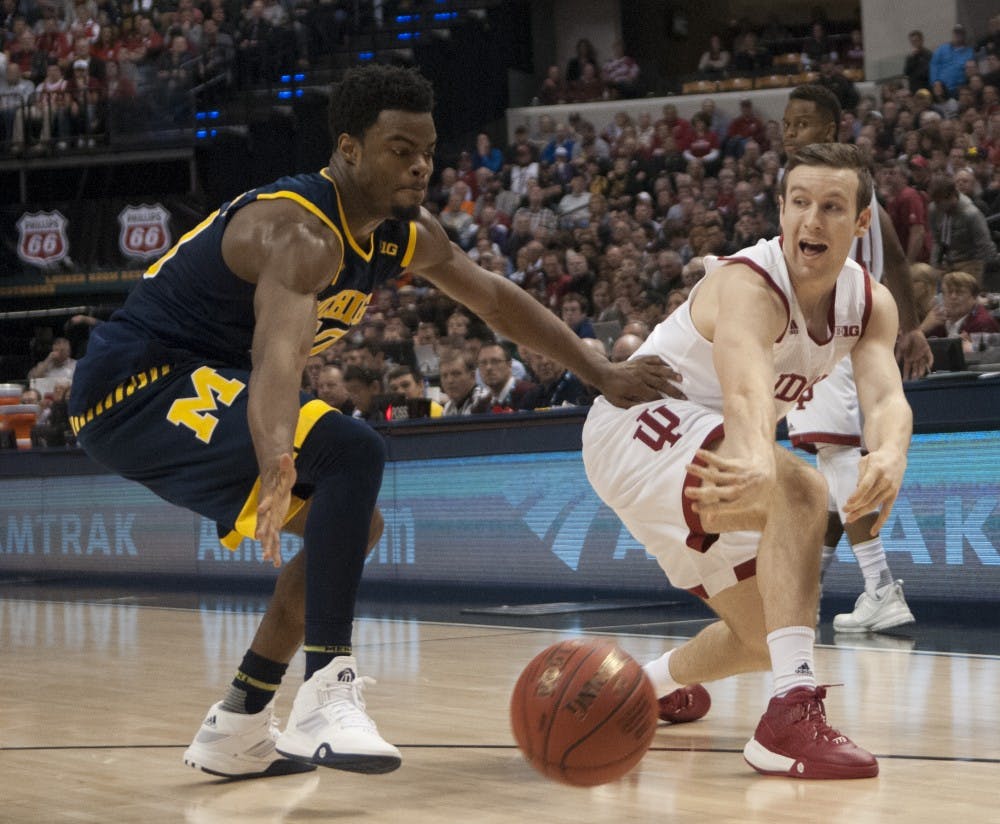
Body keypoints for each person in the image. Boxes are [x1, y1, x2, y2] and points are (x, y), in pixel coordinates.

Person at [68, 64, 673, 781]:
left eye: (427, 149)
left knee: (352, 529)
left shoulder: (403, 234)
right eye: (399, 148)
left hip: (204, 380)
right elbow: (279, 358)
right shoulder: (302, 233)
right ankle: (327, 688)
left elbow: (494, 299)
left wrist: (599, 369)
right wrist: (273, 456)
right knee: (351, 452)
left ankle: (239, 723)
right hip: (135, 382)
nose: (419, 164)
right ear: (348, 148)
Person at [584, 143, 911, 778]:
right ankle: (789, 716)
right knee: (803, 491)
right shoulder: (749, 283)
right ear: (782, 209)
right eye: (799, 204)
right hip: (638, 427)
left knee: (765, 635)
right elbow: (745, 385)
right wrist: (760, 453)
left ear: (861, 222)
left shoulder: (871, 303)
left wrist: (892, 452)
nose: (811, 221)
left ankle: (643, 688)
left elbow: (885, 394)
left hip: (698, 442)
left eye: (831, 207)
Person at [780, 85, 930, 633]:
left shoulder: (835, 193)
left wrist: (907, 326)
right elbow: (890, 249)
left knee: (839, 462)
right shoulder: (850, 196)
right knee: (832, 469)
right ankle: (812, 590)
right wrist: (909, 326)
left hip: (828, 336)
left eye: (802, 124)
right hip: (845, 337)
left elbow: (888, 246)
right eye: (787, 123)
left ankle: (880, 587)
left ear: (832, 132)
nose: (789, 131)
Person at [928, 175, 998, 279]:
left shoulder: (971, 214)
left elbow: (984, 246)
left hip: (971, 261)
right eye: (935, 202)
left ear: (951, 196)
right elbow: (937, 240)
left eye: (939, 202)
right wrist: (934, 265)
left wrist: (983, 274)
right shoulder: (934, 209)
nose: (937, 205)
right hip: (948, 261)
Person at [923, 270, 1000, 338]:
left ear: (974, 297)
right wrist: (923, 328)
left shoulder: (982, 324)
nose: (953, 297)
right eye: (949, 292)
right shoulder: (937, 321)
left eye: (959, 292)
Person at [476, 342, 536, 411]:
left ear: (509, 364)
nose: (488, 367)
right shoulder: (481, 406)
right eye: (483, 363)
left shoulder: (530, 394)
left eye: (495, 361)